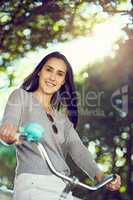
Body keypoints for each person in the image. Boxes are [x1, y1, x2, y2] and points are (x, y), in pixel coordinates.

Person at [0, 52, 121, 200]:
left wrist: (101, 176)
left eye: (59, 74)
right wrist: (8, 130)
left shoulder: (63, 120)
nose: (52, 77)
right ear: (39, 71)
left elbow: (79, 150)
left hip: (62, 186)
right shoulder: (21, 96)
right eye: (49, 70)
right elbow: (9, 122)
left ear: (63, 81)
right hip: (33, 183)